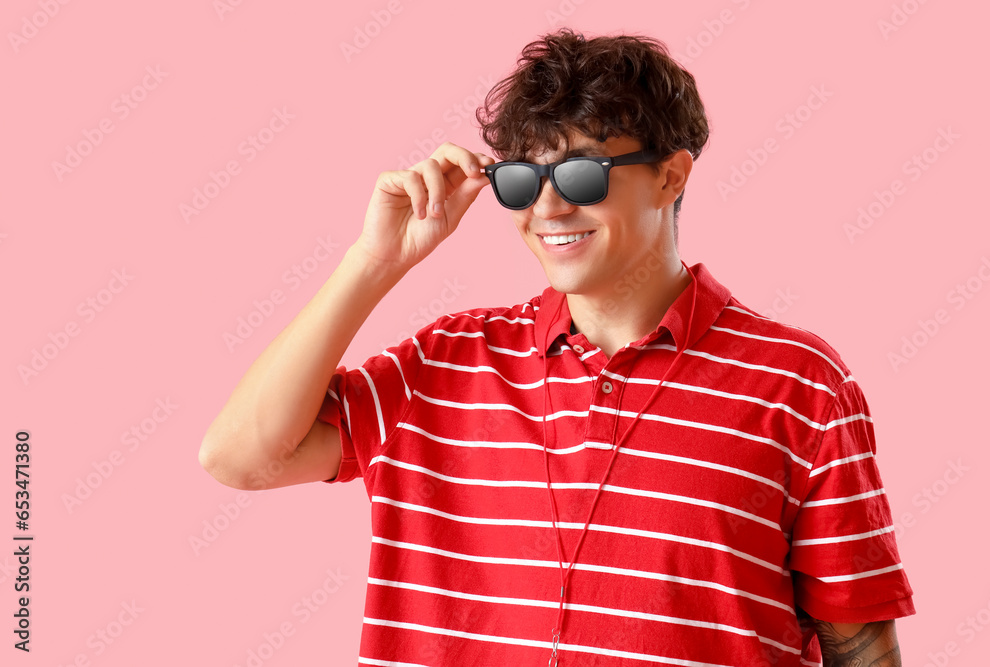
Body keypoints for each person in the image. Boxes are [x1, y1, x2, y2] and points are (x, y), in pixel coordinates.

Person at [199, 27, 914, 666]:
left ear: (671, 174)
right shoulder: (443, 364)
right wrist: (374, 262)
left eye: (579, 174)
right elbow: (239, 457)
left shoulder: (801, 385)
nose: (547, 208)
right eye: (524, 180)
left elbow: (863, 646)